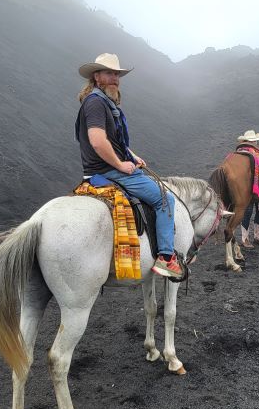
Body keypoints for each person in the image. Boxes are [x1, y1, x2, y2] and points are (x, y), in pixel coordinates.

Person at [75, 53, 183, 279]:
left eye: (117, 74)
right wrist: (121, 165)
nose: (115, 78)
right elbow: (97, 141)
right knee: (165, 199)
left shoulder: (103, 102)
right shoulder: (96, 103)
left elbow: (116, 142)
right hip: (109, 171)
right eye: (110, 73)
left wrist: (132, 157)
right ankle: (165, 257)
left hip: (106, 168)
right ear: (97, 77)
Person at [236, 130, 259, 248]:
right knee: (250, 212)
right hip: (255, 188)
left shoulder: (240, 153)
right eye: (254, 141)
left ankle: (256, 237)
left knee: (257, 212)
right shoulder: (256, 154)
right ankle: (247, 238)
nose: (255, 142)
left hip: (252, 188)